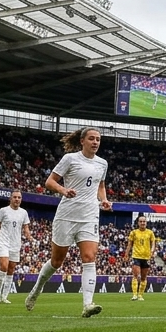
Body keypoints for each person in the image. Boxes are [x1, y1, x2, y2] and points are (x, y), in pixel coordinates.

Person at [25, 127, 112, 318]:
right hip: (67, 215)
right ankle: (37, 288)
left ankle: (88, 304)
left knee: (89, 257)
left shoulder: (102, 163)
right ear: (82, 141)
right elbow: (50, 182)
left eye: (98, 139)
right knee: (57, 261)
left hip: (89, 216)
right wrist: (63, 190)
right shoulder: (70, 159)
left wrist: (104, 200)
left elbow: (100, 185)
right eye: (91, 138)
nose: (95, 142)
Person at [0, 190, 31, 304]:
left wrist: (29, 236)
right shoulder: (3, 211)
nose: (17, 199)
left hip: (15, 244)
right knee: (4, 265)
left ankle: (4, 296)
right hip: (3, 242)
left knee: (11, 269)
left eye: (19, 197)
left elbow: (26, 227)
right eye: (15, 197)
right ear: (10, 198)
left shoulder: (24, 213)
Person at [126, 216, 156, 301]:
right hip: (136, 256)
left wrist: (152, 251)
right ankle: (134, 295)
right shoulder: (134, 232)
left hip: (146, 257)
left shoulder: (150, 233)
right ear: (138, 223)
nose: (142, 223)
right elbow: (129, 244)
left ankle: (140, 295)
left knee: (143, 277)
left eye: (144, 221)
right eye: (141, 221)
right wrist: (126, 254)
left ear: (146, 222)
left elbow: (153, 243)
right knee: (136, 276)